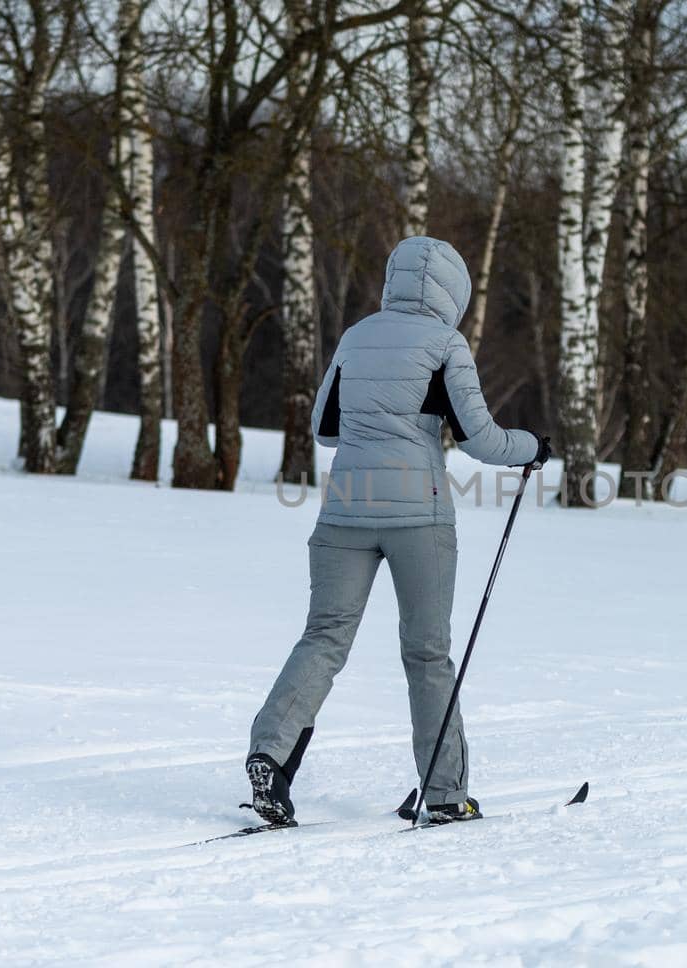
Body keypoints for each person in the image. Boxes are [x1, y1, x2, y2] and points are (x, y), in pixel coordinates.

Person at [245, 236, 551, 826]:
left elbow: (325, 429)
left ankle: (271, 755)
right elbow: (480, 439)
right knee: (428, 653)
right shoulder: (445, 344)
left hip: (343, 514)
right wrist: (531, 447)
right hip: (419, 518)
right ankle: (444, 794)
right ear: (454, 291)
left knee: (324, 638)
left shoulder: (356, 337)